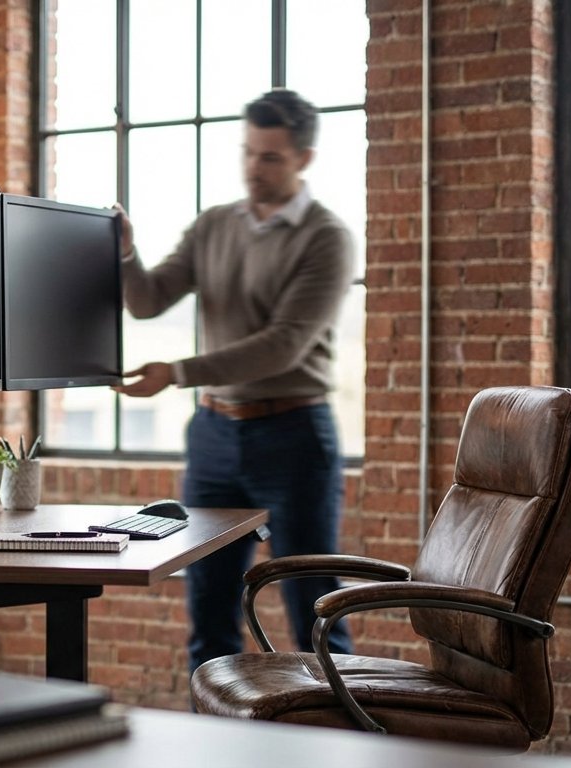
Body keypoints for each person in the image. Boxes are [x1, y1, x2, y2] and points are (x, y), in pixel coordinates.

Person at [112, 89, 356, 671]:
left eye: (270, 157)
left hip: (294, 435)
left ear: (304, 159)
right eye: (248, 152)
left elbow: (282, 344)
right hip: (214, 438)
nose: (254, 167)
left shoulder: (327, 237)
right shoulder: (214, 225)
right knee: (209, 617)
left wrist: (178, 373)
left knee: (314, 615)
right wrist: (124, 254)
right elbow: (147, 302)